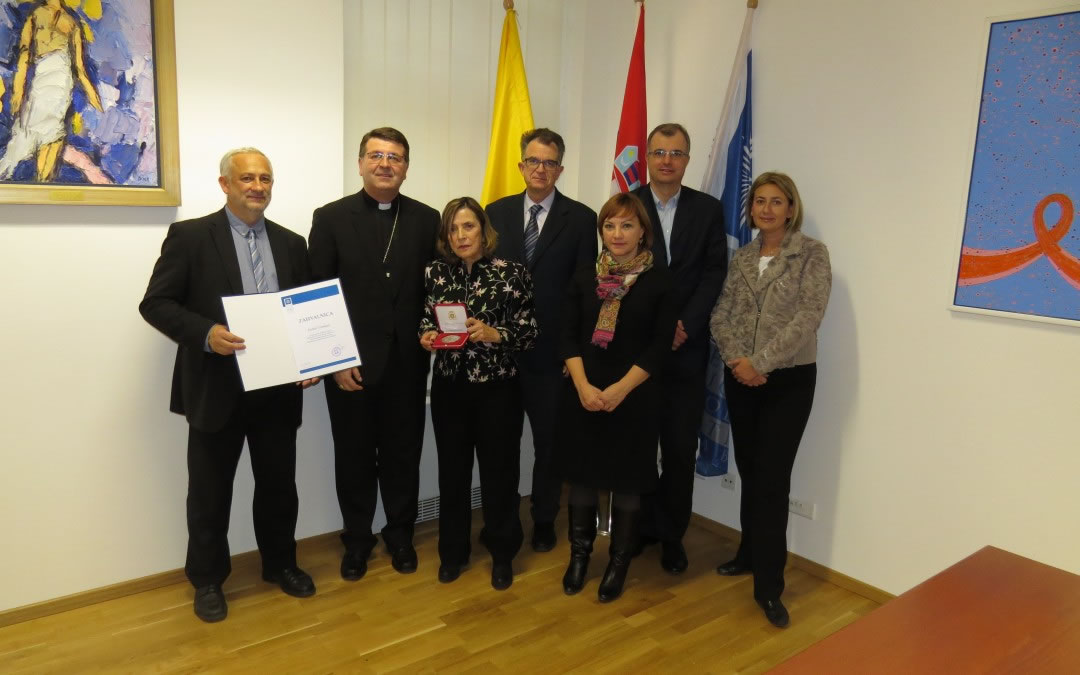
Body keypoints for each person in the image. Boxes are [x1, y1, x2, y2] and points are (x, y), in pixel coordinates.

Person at [139, 148, 317, 623]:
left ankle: (281, 565)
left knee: (280, 487)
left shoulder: (293, 243)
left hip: (277, 389)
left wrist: (312, 358)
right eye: (246, 178)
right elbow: (155, 303)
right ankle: (208, 580)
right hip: (216, 388)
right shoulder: (191, 236)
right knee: (209, 492)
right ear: (225, 184)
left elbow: (303, 314)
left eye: (265, 178)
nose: (257, 187)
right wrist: (205, 334)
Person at [308, 127, 440, 581]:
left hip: (407, 364)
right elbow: (317, 296)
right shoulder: (330, 218)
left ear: (406, 166)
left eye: (396, 157)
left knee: (404, 455)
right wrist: (334, 360)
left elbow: (436, 292)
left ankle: (400, 535)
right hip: (351, 367)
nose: (386, 164)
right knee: (355, 458)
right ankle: (357, 540)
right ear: (360, 162)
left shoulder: (427, 219)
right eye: (377, 155)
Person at [709, 171, 831, 628]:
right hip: (740, 375)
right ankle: (747, 553)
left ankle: (769, 586)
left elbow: (809, 316)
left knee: (772, 479)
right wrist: (738, 359)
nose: (767, 209)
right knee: (750, 468)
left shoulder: (811, 254)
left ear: (791, 208)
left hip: (788, 380)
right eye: (759, 200)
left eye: (776, 201)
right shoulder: (741, 256)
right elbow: (721, 313)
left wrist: (761, 362)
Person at [558, 192, 677, 602]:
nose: (617, 233)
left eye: (627, 225)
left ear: (643, 231)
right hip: (584, 392)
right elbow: (567, 336)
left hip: (635, 397)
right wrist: (584, 387)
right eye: (609, 225)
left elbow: (660, 347)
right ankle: (579, 556)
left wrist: (620, 390)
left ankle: (618, 562)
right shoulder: (583, 277)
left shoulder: (660, 280)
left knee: (628, 483)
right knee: (584, 479)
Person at [485, 128, 597, 553]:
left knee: (550, 445)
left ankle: (546, 518)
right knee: (502, 444)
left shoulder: (582, 218)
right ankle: (502, 519)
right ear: (520, 165)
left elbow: (586, 290)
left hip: (552, 356)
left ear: (560, 169)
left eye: (549, 162)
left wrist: (575, 357)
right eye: (533, 160)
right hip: (500, 353)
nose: (540, 169)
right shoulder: (493, 212)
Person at [419, 197, 538, 590]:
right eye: (452, 229)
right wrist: (428, 336)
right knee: (452, 475)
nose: (460, 235)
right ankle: (453, 554)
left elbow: (528, 331)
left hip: (498, 391)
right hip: (451, 389)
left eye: (467, 226)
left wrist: (494, 333)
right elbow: (425, 317)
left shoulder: (512, 273)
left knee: (499, 476)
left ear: (483, 230)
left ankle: (502, 554)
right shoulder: (436, 273)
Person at [632, 122, 727, 575]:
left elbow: (714, 273)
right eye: (659, 152)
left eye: (676, 153)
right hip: (639, 350)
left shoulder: (707, 209)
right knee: (637, 443)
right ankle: (639, 529)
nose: (667, 160)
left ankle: (671, 535)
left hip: (687, 349)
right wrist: (655, 327)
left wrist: (684, 324)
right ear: (647, 158)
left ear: (687, 161)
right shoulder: (627, 206)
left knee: (677, 446)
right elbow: (616, 271)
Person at [0, 0, 103, 181]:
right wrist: (18, 91)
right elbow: (24, 56)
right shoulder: (36, 16)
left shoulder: (72, 23)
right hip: (42, 84)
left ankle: (43, 183)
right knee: (28, 133)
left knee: (53, 136)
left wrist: (95, 99)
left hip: (62, 86)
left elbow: (80, 68)